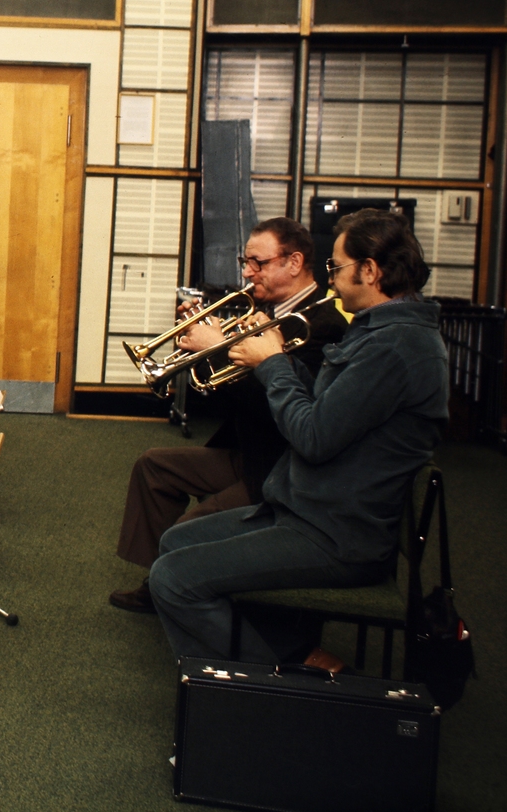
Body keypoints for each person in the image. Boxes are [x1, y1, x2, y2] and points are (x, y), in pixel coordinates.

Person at [147, 208, 449, 666]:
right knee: (173, 544)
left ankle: (263, 681)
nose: (330, 278)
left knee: (172, 578)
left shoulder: (396, 346)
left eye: (336, 267)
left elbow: (312, 436)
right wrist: (264, 360)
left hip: (337, 533)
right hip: (306, 507)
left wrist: (272, 364)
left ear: (370, 271)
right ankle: (291, 655)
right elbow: (328, 410)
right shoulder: (377, 332)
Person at [109, 217, 346, 613]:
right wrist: (202, 343)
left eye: (258, 262)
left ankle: (170, 586)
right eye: (245, 260)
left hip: (279, 467)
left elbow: (285, 409)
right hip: (246, 448)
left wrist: (219, 348)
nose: (247, 271)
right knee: (153, 466)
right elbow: (226, 394)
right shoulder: (264, 309)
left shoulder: (322, 325)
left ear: (294, 262)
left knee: (188, 531)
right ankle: (160, 580)